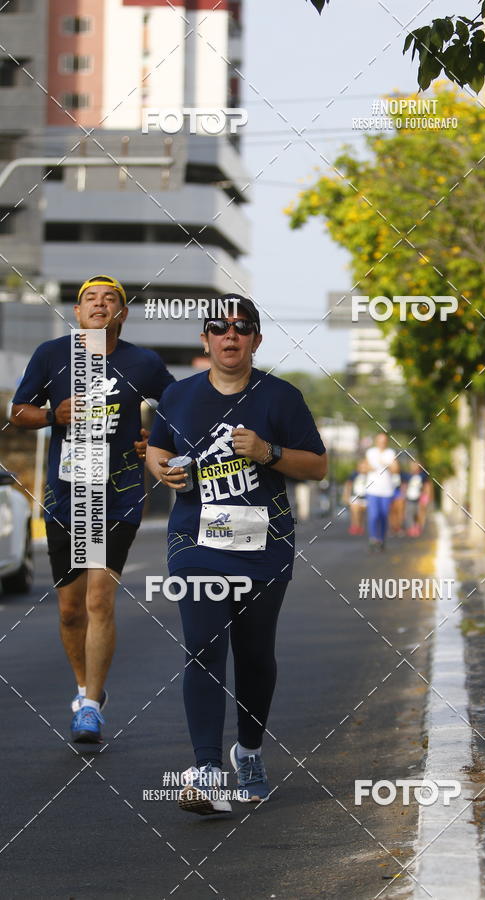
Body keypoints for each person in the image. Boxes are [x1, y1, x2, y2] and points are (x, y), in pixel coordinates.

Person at [146, 294, 327, 815]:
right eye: (220, 327)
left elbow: (317, 466)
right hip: (196, 541)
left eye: (242, 328)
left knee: (254, 655)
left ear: (256, 340)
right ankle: (206, 770)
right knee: (203, 647)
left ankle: (248, 752)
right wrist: (162, 469)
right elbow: (157, 446)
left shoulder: (282, 397)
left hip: (263, 542)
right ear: (205, 339)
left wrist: (268, 452)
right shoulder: (178, 395)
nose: (231, 335)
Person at [10, 275, 175, 743]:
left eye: (110, 299)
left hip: (118, 492)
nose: (100, 304)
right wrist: (52, 415)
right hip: (66, 495)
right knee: (70, 610)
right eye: (90, 299)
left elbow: (178, 404)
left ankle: (88, 708)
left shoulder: (142, 362)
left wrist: (155, 439)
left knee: (99, 599)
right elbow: (17, 411)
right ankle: (86, 690)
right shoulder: (51, 355)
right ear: (78, 312)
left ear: (122, 313)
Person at [364, 432, 399, 552]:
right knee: (373, 515)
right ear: (376, 441)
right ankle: (373, 539)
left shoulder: (390, 453)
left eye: (384, 441)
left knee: (383, 516)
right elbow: (364, 467)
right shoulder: (370, 452)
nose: (382, 443)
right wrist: (370, 467)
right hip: (372, 489)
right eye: (380, 441)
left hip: (386, 491)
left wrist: (385, 464)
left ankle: (382, 540)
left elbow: (396, 469)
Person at [403, 460, 432, 537]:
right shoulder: (407, 475)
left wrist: (427, 496)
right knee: (409, 513)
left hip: (419, 498)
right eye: (412, 466)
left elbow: (427, 485)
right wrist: (404, 495)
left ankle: (418, 527)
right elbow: (404, 486)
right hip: (409, 498)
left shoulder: (423, 476)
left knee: (418, 513)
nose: (414, 467)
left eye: (415, 466)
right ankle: (411, 527)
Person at [343, 459, 368, 535]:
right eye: (361, 466)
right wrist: (346, 495)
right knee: (355, 511)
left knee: (361, 514)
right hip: (355, 496)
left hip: (366, 497)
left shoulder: (370, 475)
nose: (363, 468)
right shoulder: (354, 474)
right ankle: (355, 526)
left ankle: (360, 525)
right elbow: (348, 485)